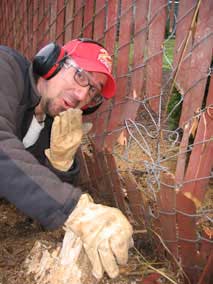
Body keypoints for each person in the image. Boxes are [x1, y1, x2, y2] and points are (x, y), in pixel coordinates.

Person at [0, 38, 133, 279]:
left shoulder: (51, 126)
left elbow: (38, 205)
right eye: (81, 76)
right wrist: (74, 209)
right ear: (51, 62)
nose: (83, 94)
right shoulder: (5, 67)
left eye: (93, 91)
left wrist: (61, 164)